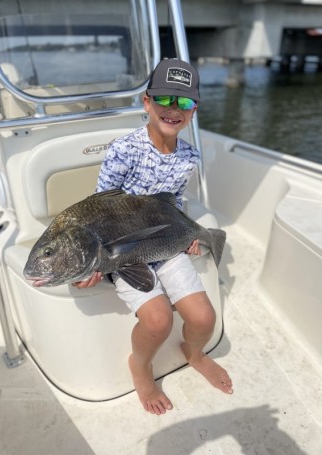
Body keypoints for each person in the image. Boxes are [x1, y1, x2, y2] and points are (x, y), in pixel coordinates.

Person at [74, 58, 233, 415]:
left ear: (194, 111)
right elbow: (101, 209)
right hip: (125, 251)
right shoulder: (123, 149)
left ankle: (193, 353)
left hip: (165, 245)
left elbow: (173, 203)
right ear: (147, 102)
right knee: (159, 320)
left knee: (205, 319)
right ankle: (141, 368)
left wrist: (190, 236)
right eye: (164, 99)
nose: (173, 110)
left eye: (185, 102)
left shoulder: (189, 156)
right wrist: (93, 263)